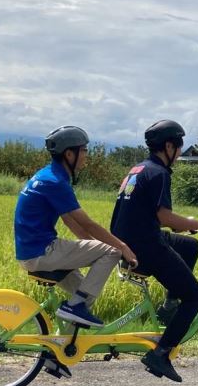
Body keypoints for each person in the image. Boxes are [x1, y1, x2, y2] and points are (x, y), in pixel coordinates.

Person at [110, 119, 198, 382]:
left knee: (190, 246)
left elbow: (150, 215)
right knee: (195, 296)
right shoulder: (159, 174)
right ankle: (161, 353)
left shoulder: (137, 169)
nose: (180, 153)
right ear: (169, 146)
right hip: (145, 247)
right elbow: (165, 217)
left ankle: (169, 305)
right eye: (179, 146)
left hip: (129, 241)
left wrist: (188, 228)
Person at [15, 126, 137, 327]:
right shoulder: (55, 182)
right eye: (84, 150)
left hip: (32, 252)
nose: (86, 156)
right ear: (69, 154)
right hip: (42, 252)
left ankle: (60, 351)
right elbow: (86, 222)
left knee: (83, 293)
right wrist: (122, 247)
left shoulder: (48, 175)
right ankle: (74, 308)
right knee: (112, 251)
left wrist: (92, 246)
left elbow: (69, 220)